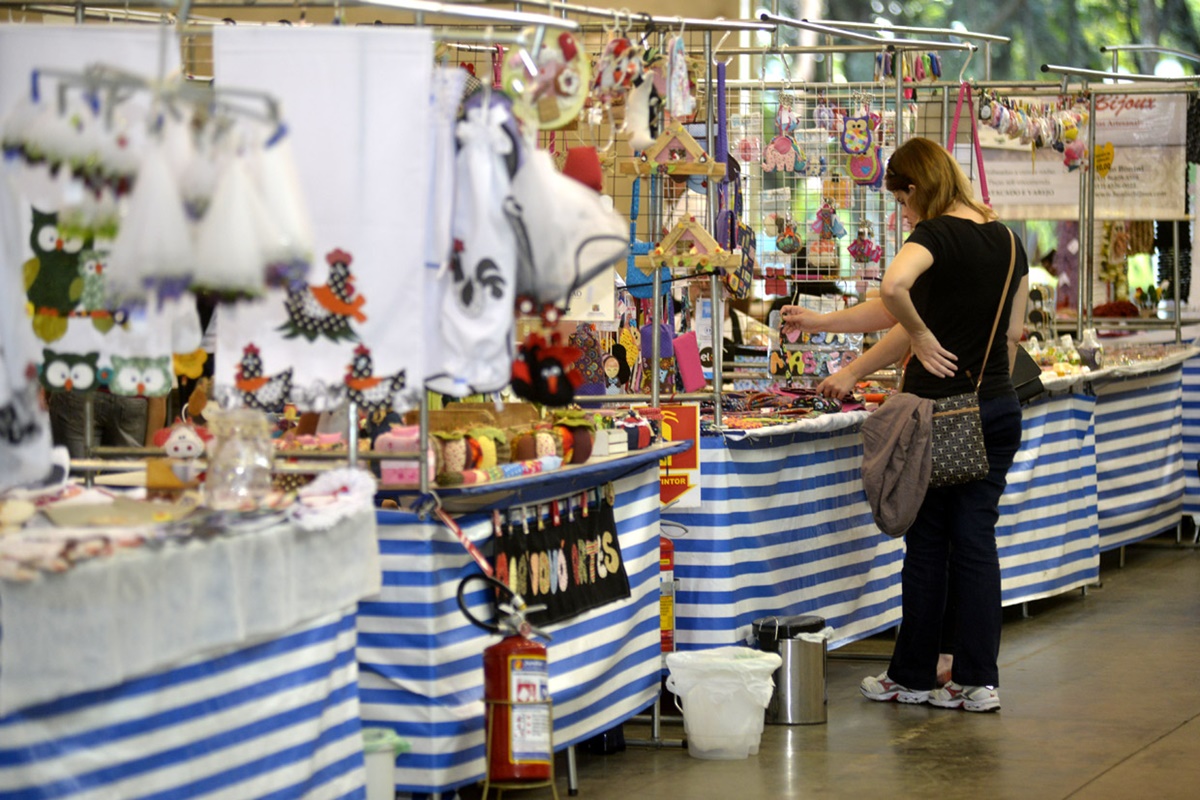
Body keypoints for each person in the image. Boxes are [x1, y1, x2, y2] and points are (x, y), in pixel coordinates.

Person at [783, 137, 1028, 712]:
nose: (903, 214)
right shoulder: (1006, 239)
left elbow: (895, 291)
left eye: (900, 202)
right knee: (975, 546)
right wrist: (829, 320)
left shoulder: (934, 235)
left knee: (927, 547)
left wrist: (920, 337)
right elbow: (1012, 331)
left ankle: (913, 676)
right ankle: (976, 680)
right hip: (995, 408)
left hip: (939, 413)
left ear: (915, 187)